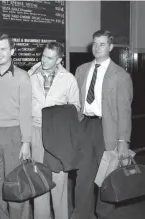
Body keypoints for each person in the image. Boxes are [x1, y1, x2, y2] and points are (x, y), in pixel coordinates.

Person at [71, 30, 133, 219]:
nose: (97, 48)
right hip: (84, 127)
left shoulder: (120, 75)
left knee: (106, 177)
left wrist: (123, 141)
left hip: (108, 131)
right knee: (82, 178)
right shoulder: (81, 70)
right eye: (95, 44)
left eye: (102, 44)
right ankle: (80, 214)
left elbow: (124, 112)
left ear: (111, 47)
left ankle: (103, 215)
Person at [0, 34, 32, 219]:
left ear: (12, 51)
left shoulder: (23, 77)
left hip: (14, 134)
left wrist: (26, 142)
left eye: (3, 49)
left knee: (15, 183)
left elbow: (26, 112)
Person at [28, 42, 80, 219]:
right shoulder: (32, 77)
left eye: (49, 58)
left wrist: (57, 114)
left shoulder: (69, 79)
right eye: (43, 56)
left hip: (58, 135)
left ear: (59, 59)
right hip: (36, 131)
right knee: (39, 182)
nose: (44, 60)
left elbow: (76, 109)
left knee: (59, 184)